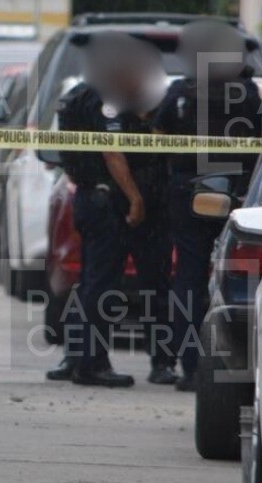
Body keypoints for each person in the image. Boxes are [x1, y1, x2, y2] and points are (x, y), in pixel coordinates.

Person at [46, 32, 176, 388]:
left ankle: (78, 357)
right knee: (111, 285)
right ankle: (93, 364)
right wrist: (135, 198)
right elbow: (112, 152)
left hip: (97, 198)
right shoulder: (108, 100)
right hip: (119, 203)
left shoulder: (80, 95)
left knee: (94, 282)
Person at [154, 18, 262, 391]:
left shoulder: (182, 93)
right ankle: (232, 367)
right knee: (240, 281)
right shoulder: (248, 94)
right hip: (236, 198)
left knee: (187, 279)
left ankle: (188, 367)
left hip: (190, 194)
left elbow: (158, 137)